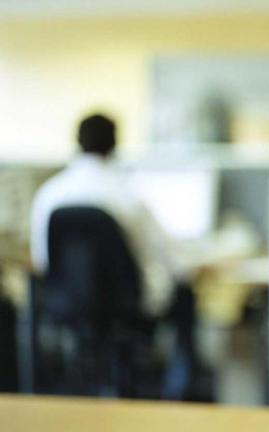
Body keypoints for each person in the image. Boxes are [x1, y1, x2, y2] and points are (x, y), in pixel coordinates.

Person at [30, 113, 209, 400]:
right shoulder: (129, 194)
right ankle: (182, 389)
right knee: (185, 294)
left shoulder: (49, 194)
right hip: (130, 306)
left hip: (70, 307)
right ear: (115, 144)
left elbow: (42, 262)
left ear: (77, 143)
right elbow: (175, 262)